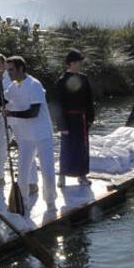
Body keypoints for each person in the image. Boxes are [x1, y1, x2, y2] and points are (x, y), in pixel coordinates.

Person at [2, 56, 57, 210]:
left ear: (21, 69)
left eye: (11, 70)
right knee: (23, 169)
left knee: (47, 170)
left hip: (42, 133)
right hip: (26, 135)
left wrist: (11, 114)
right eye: (8, 70)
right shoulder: (14, 85)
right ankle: (23, 201)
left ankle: (50, 202)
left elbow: (33, 112)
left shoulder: (34, 85)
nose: (9, 73)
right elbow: (4, 98)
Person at [0, 53, 35, 188]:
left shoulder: (14, 77)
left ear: (4, 64)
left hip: (19, 116)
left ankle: (32, 182)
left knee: (25, 148)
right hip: (4, 117)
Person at [55, 49, 95, 187]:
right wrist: (62, 125)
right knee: (66, 148)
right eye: (78, 62)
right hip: (68, 120)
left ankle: (82, 175)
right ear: (71, 63)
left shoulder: (84, 79)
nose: (80, 64)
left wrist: (90, 118)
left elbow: (89, 100)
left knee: (83, 148)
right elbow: (58, 104)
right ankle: (62, 176)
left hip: (82, 119)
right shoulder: (62, 81)